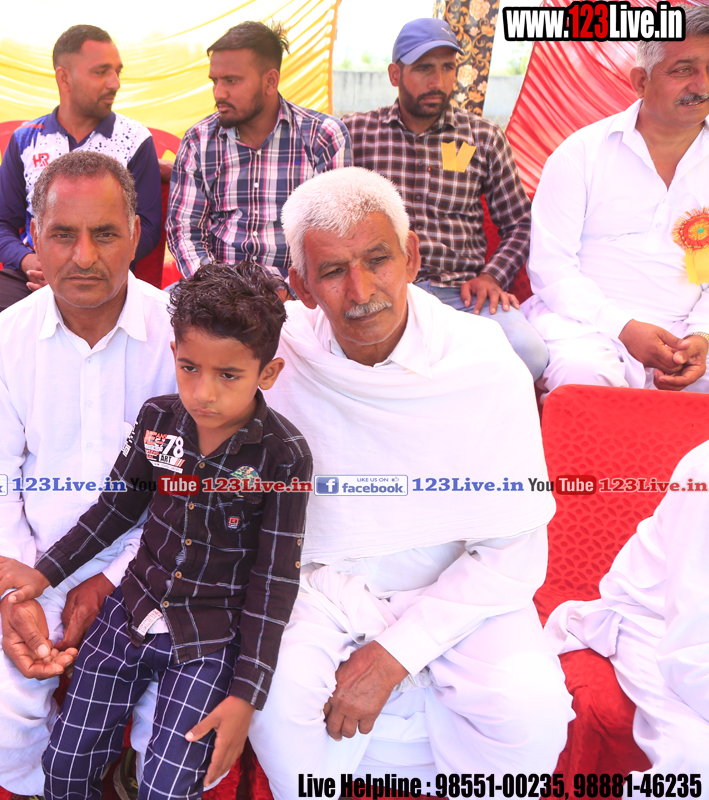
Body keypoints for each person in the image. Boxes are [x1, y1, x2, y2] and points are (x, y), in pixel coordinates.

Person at [250, 167, 572, 784]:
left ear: (412, 257)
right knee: (277, 701)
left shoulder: (482, 360)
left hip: (459, 590)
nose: (362, 290)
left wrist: (397, 653)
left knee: (531, 714)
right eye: (333, 271)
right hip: (320, 588)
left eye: (378, 260)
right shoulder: (275, 353)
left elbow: (513, 551)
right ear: (301, 286)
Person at [0, 262, 310, 800]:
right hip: (128, 610)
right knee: (64, 765)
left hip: (209, 636)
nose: (204, 392)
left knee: (169, 786)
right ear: (174, 353)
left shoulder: (283, 455)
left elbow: (275, 577)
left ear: (267, 373)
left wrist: (247, 693)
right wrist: (44, 574)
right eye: (189, 367)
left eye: (228, 375)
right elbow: (116, 509)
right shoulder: (159, 421)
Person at [0, 150, 176, 798]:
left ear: (136, 234)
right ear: (35, 240)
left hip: (155, 570)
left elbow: (185, 494)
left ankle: (128, 775)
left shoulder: (178, 337)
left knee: (178, 719)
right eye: (64, 234)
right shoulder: (4, 339)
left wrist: (111, 580)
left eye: (105, 234)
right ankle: (51, 785)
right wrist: (16, 592)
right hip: (33, 566)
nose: (84, 257)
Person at [342, 18, 546, 380]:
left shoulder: (483, 138)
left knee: (528, 353)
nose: (437, 81)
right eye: (424, 68)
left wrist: (492, 276)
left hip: (461, 295)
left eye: (447, 68)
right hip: (384, 292)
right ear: (395, 74)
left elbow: (519, 223)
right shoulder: (356, 134)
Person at [524, 5, 709, 394]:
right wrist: (623, 328)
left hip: (689, 333)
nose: (702, 84)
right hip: (588, 328)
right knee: (585, 373)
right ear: (641, 81)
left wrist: (700, 335)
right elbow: (551, 268)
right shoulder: (581, 154)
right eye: (683, 70)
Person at [0, 24, 163, 342]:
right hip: (30, 276)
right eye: (101, 72)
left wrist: (82, 265)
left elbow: (146, 227)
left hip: (105, 276)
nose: (115, 83)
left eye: (117, 71)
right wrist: (32, 261)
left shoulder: (134, 139)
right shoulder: (26, 139)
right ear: (64, 78)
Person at [546, 440, 709, 773]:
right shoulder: (704, 472)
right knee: (695, 760)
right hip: (658, 625)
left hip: (689, 631)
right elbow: (689, 649)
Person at [166, 21, 351, 280]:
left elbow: (336, 234)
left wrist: (293, 291)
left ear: (270, 81)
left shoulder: (323, 136)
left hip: (300, 293)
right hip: (216, 290)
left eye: (231, 81)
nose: (218, 93)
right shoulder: (199, 140)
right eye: (215, 81)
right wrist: (215, 289)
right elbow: (184, 231)